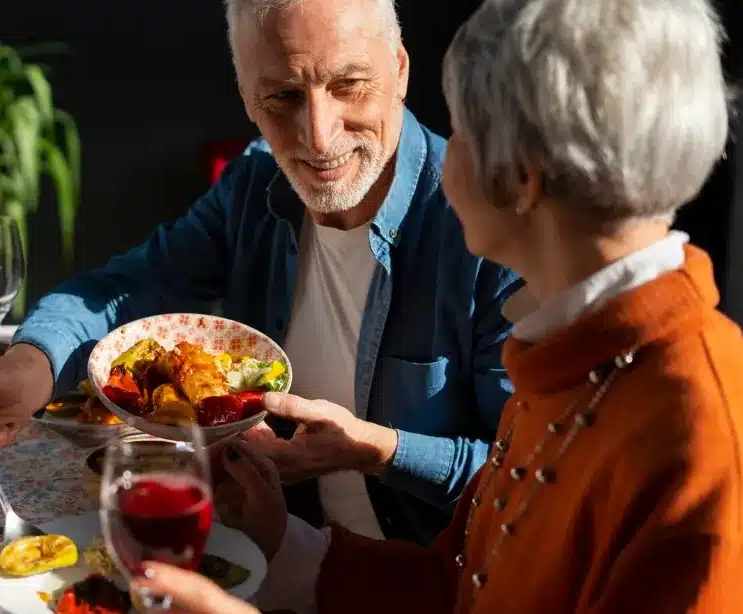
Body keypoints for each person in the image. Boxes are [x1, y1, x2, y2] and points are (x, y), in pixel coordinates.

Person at [128, 0, 743, 612]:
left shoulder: (702, 429)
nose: (441, 154)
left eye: (465, 133)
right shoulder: (567, 356)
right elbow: (461, 589)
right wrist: (283, 540)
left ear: (521, 176)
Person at [0, 0, 519, 546]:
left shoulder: (489, 227)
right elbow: (127, 289)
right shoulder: (255, 185)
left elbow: (528, 481)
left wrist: (378, 451)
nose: (318, 133)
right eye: (282, 97)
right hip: (266, 555)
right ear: (246, 95)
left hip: (421, 580)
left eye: (350, 85)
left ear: (401, 69)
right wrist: (25, 369)